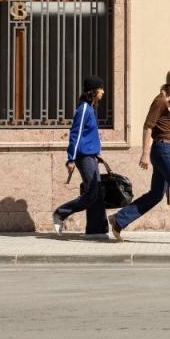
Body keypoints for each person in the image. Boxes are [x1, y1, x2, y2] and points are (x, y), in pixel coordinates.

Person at [107, 67, 170, 245]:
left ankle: (119, 219)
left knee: (155, 194)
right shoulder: (160, 101)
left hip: (166, 150)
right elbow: (148, 126)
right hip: (162, 151)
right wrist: (144, 154)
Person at [52, 76, 109, 238]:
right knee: (91, 193)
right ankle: (60, 213)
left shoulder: (90, 109)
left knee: (97, 193)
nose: (103, 92)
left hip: (90, 156)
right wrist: (71, 158)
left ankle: (96, 230)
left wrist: (96, 153)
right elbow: (75, 134)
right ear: (93, 91)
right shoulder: (84, 109)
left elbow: (88, 135)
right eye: (101, 88)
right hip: (83, 157)